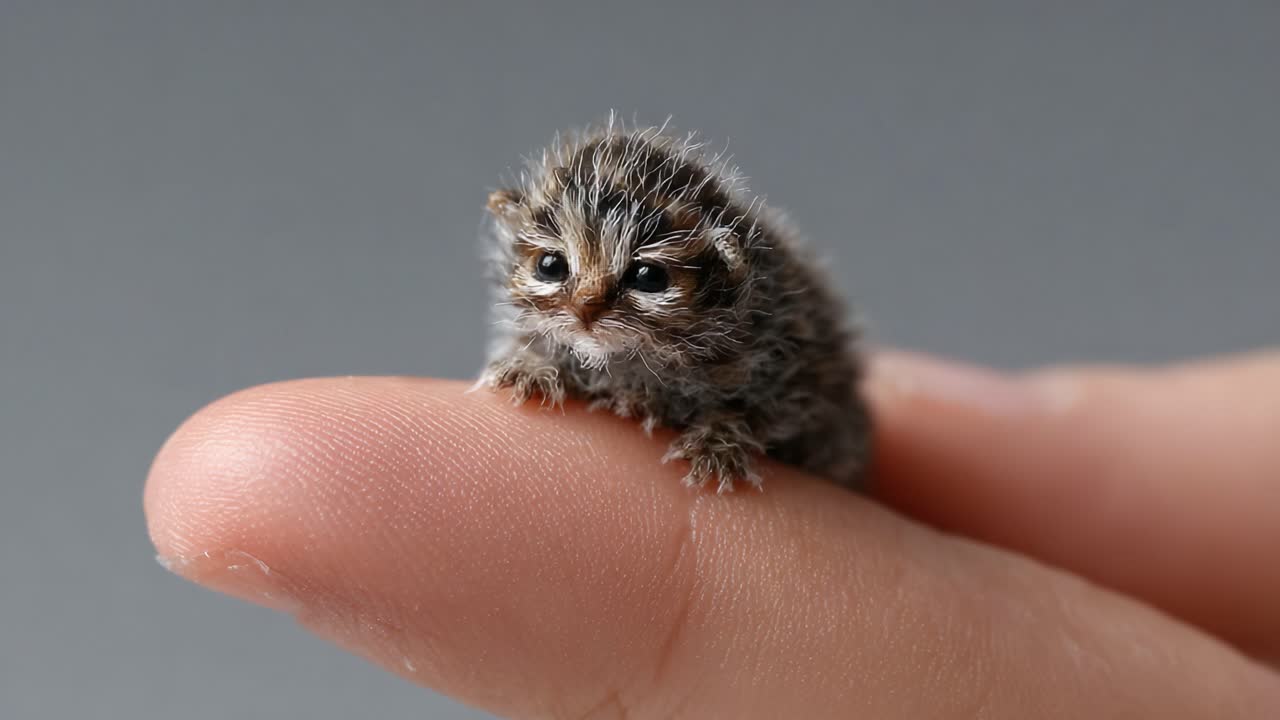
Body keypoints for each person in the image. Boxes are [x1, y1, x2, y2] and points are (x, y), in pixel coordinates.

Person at [144, 350, 1280, 718]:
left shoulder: (741, 344)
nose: (585, 313)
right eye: (552, 279)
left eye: (631, 283)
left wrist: (730, 433)